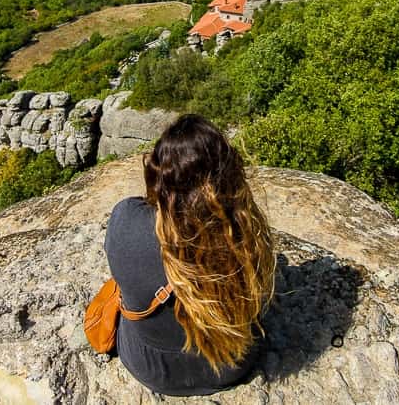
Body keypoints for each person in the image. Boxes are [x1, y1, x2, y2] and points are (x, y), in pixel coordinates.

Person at [104, 114, 276, 396]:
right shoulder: (246, 236)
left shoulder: (125, 218)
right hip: (230, 364)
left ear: (157, 173)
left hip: (150, 366)